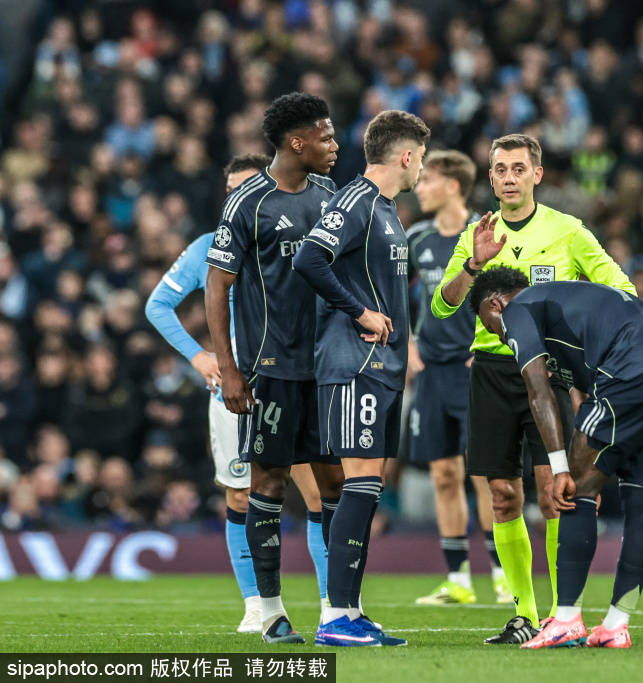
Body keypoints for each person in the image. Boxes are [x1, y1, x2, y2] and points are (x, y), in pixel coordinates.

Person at [431, 134, 635, 644]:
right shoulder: (477, 233)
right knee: (502, 496)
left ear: (537, 175)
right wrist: (473, 266)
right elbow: (442, 305)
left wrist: (575, 324)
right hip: (493, 373)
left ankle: (564, 615)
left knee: (554, 493)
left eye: (519, 168)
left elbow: (623, 290)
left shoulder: (568, 231)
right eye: (500, 169)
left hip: (549, 372)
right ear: (491, 176)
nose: (509, 178)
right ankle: (524, 614)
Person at [146, 152, 333, 633]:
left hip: (297, 379)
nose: (241, 195)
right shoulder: (208, 247)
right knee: (242, 495)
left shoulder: (301, 238)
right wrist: (198, 357)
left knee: (319, 494)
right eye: (233, 189)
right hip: (237, 388)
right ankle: (257, 606)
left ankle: (334, 603)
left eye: (249, 185)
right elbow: (158, 305)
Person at [469, 267, 643, 650]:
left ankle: (566, 620)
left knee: (574, 489)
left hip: (631, 371)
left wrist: (560, 468)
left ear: (494, 305)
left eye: (489, 326)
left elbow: (538, 391)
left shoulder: (519, 309)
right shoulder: (566, 304)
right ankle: (616, 625)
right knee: (641, 499)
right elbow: (583, 387)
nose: (499, 336)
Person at [205, 93, 341, 644]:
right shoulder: (247, 203)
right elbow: (217, 287)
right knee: (268, 481)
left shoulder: (331, 197)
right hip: (273, 367)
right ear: (296, 142)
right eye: (325, 137)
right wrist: (230, 368)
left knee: (335, 483)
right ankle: (270, 611)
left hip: (328, 367)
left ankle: (340, 609)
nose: (334, 146)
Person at [292, 109, 430, 647]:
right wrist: (360, 312)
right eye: (421, 158)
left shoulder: (387, 210)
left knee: (368, 488)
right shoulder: (355, 201)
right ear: (406, 155)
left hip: (383, 365)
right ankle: (335, 617)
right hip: (355, 363)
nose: (421, 168)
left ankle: (348, 610)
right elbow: (310, 258)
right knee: (360, 483)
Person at [407, 150, 511, 606]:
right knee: (444, 474)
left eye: (428, 180)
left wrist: (492, 345)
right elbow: (393, 295)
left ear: (453, 186)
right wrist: (407, 344)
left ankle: (504, 574)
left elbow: (509, 296)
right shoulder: (416, 238)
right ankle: (458, 579)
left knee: (484, 474)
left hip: (475, 370)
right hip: (432, 371)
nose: (420, 188)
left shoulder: (485, 234)